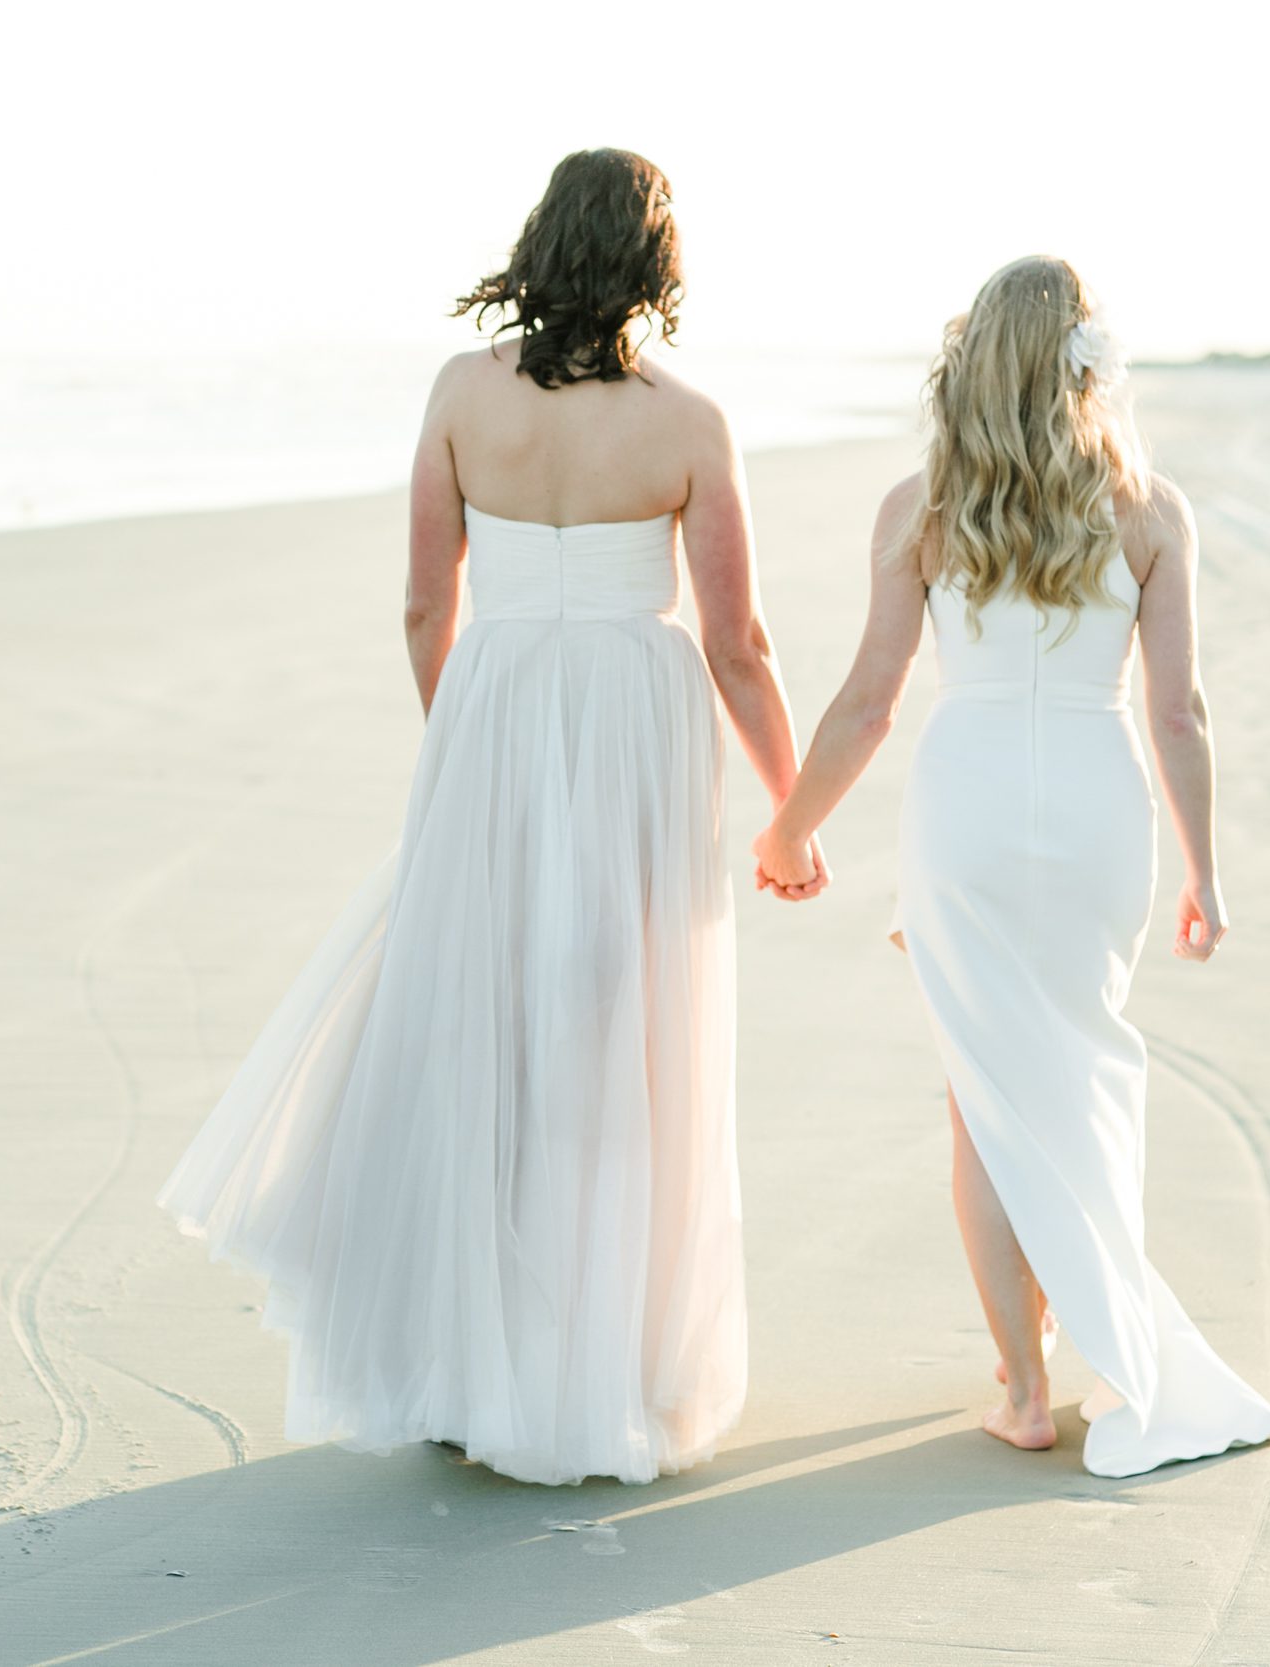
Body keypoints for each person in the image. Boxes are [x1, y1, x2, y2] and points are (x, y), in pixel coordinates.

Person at [160, 149, 817, 1486]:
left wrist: (461, 740)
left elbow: (422, 603)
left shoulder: (462, 394)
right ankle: (599, 1368)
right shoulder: (688, 422)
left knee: (487, 1039)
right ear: (654, 266)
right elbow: (738, 640)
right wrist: (792, 808)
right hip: (635, 726)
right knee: (619, 1045)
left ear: (538, 244)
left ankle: (473, 1368)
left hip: (496, 710)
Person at [754, 256, 1270, 1477]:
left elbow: (868, 702)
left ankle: (1026, 1383)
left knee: (983, 1097)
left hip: (968, 809)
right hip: (1099, 809)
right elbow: (1178, 715)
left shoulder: (922, 506)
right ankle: (1073, 1339)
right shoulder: (1150, 508)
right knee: (1081, 1071)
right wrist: (1205, 868)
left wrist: (791, 827)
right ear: (1088, 362)